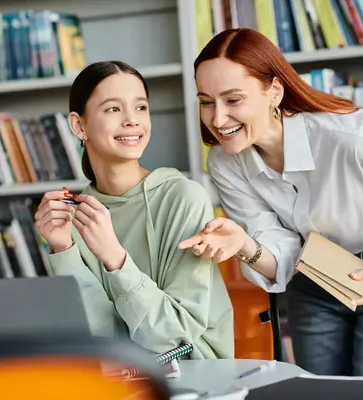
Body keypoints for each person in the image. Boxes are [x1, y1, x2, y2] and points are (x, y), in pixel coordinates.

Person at [178, 28, 363, 376]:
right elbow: (283, 252)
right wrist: (244, 244)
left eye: (233, 100)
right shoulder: (225, 162)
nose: (217, 119)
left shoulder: (351, 135)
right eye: (206, 102)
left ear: (273, 91)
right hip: (314, 279)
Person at [33, 61, 234, 359]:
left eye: (141, 108)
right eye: (114, 109)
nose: (132, 121)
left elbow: (173, 335)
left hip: (192, 373)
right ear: (79, 125)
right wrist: (63, 249)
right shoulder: (71, 217)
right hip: (118, 376)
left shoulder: (183, 197)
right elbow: (97, 337)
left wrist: (114, 257)